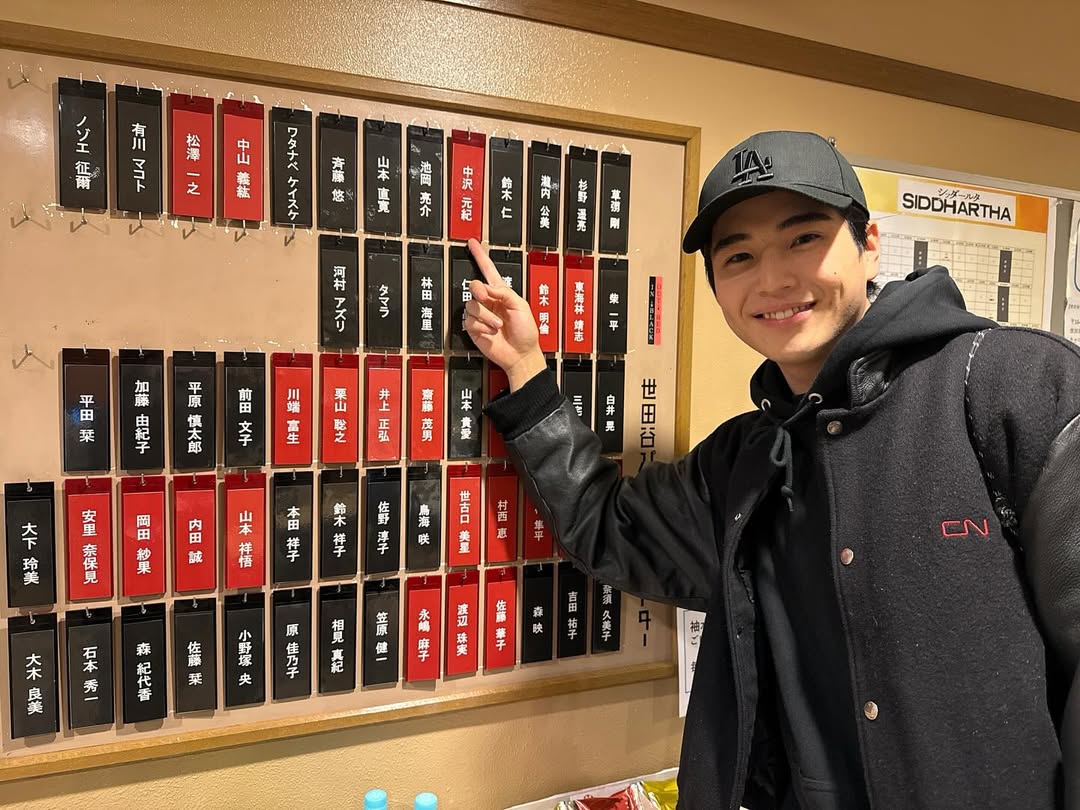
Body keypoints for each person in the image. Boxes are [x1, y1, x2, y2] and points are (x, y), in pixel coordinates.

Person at [463, 131, 1080, 810]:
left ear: (870, 244)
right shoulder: (745, 460)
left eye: (803, 238)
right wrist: (527, 372)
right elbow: (610, 526)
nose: (774, 279)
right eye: (739, 256)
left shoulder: (1013, 385)